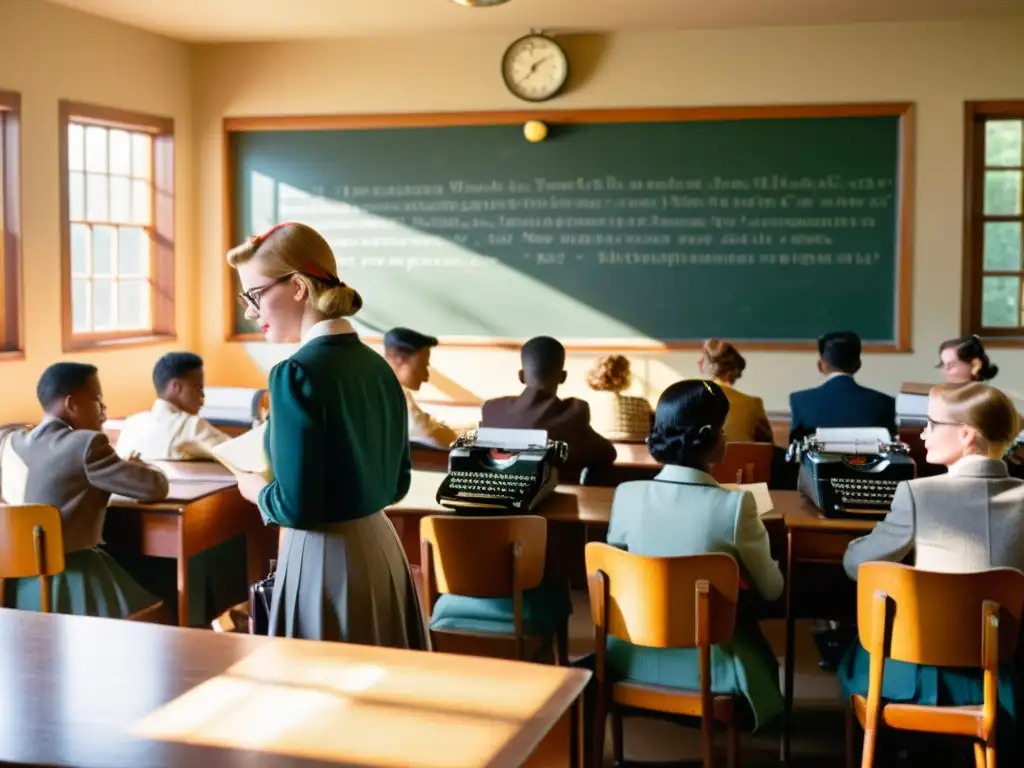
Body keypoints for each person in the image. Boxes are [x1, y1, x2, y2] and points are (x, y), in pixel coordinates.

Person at [226, 221, 426, 647]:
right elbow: (398, 483)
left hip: (323, 559)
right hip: (382, 551)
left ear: (298, 287)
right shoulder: (379, 369)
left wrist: (255, 490)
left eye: (254, 295)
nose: (249, 311)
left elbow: (296, 506)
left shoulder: (294, 374)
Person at [840, 382, 1023, 751]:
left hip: (921, 671)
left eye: (931, 423)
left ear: (967, 434)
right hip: (1009, 675)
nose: (923, 433)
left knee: (854, 649)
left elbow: (857, 565)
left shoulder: (918, 493)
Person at [605, 379, 784, 730]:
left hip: (630, 654)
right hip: (711, 664)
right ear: (709, 436)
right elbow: (772, 589)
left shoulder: (626, 494)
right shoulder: (735, 506)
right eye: (722, 429)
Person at [0, 363, 169, 617]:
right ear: (72, 403)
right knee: (163, 605)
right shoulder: (86, 445)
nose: (102, 413)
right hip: (72, 584)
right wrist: (136, 466)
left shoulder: (8, 443)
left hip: (16, 590)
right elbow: (155, 487)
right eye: (98, 402)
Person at [481, 336, 616, 477]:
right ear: (563, 377)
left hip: (493, 497)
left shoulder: (492, 409)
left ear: (521, 376)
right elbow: (607, 455)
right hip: (555, 497)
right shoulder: (573, 412)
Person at [116, 352, 229, 460]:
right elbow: (237, 454)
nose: (202, 396)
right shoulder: (190, 426)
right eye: (198, 388)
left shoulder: (131, 424)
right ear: (176, 387)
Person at [789, 331, 896, 443]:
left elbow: (794, 452)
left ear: (821, 365)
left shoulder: (800, 401)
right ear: (858, 365)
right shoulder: (885, 403)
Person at [383, 327, 459, 450]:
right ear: (400, 359)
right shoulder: (392, 396)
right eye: (422, 366)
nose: (425, 377)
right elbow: (437, 439)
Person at [698, 339, 773, 443]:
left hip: (702, 459)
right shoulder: (752, 403)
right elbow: (767, 444)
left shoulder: (688, 400)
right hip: (742, 458)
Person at [585, 354, 653, 442]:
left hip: (601, 453)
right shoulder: (642, 404)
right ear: (625, 375)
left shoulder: (589, 405)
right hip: (641, 453)